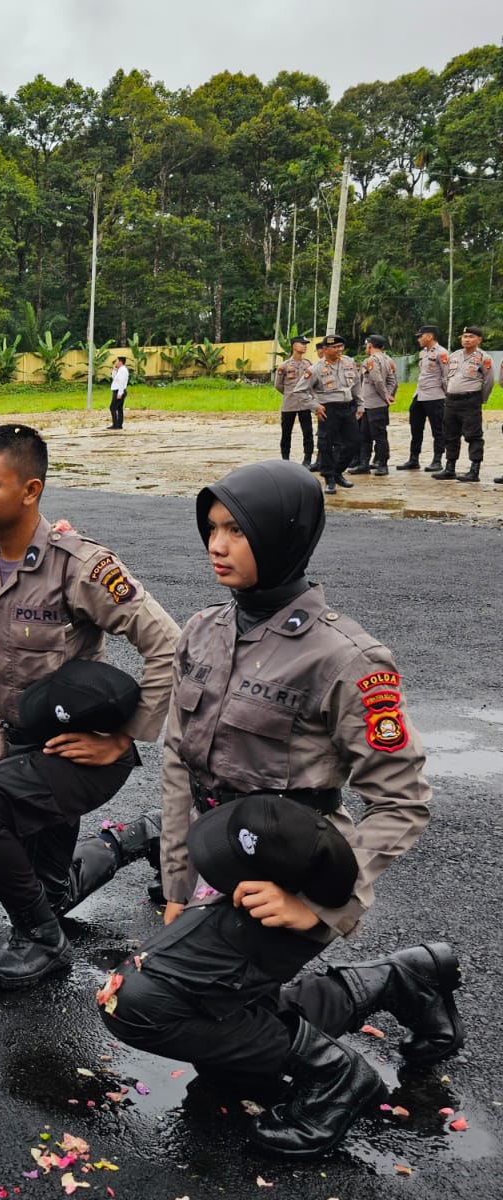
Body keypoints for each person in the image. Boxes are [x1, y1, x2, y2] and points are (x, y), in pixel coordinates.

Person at [97, 460, 460, 1160]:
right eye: (212, 528)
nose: (217, 544)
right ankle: (402, 976)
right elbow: (178, 767)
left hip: (295, 878)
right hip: (217, 872)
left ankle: (335, 1077)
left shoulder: (349, 659)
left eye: (237, 529)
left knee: (138, 1002)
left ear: (285, 534)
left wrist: (321, 904)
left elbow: (402, 799)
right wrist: (178, 888)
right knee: (225, 1027)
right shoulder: (203, 631)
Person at [0, 424, 180, 990]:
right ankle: (140, 836)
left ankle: (43, 942)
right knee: (51, 890)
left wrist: (128, 737)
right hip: (23, 748)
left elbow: (166, 642)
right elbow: (1, 679)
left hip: (80, 756)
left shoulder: (80, 565)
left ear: (31, 490)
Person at [291, 335, 360, 496]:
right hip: (328, 410)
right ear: (326, 350)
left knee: (354, 443)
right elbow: (299, 390)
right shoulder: (315, 369)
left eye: (341, 346)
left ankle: (337, 471)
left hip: (348, 408)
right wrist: (315, 406)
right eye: (335, 347)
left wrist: (361, 404)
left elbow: (356, 385)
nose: (339, 350)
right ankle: (329, 478)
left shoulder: (349, 363)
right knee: (326, 444)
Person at [432, 325, 494, 482]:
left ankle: (474, 470)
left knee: (473, 435)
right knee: (450, 434)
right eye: (465, 336)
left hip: (470, 400)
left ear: (479, 340)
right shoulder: (454, 356)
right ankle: (450, 467)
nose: (467, 339)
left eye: (471, 337)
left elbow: (488, 381)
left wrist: (481, 399)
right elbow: (447, 377)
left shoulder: (483, 357)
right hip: (452, 401)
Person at [348, 334, 397, 476]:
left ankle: (382, 464)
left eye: (366, 345)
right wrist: (389, 395)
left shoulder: (371, 361)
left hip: (373, 404)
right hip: (371, 404)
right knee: (365, 435)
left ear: (370, 345)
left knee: (377, 435)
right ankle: (364, 464)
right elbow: (393, 381)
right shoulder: (389, 360)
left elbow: (377, 381)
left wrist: (384, 396)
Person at [402, 325, 448, 472]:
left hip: (435, 396)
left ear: (430, 336)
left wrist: (446, 395)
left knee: (438, 429)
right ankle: (413, 458)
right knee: (415, 427)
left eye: (421, 336)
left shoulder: (442, 353)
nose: (419, 339)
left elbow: (446, 376)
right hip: (420, 395)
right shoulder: (423, 353)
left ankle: (437, 459)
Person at [273, 336, 314, 467]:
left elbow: (312, 383)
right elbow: (278, 385)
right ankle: (285, 460)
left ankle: (307, 460)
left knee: (308, 433)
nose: (305, 346)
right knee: (286, 433)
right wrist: (289, 395)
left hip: (304, 404)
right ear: (293, 346)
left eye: (305, 344)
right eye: (302, 343)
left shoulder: (308, 364)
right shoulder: (284, 366)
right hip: (289, 404)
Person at [108, 356, 129, 430]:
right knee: (119, 408)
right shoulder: (120, 370)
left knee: (112, 408)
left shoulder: (123, 371)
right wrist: (114, 370)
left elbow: (121, 382)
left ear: (120, 362)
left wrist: (120, 393)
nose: (116, 363)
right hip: (118, 390)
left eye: (117, 361)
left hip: (119, 390)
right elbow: (114, 378)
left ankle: (115, 424)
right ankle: (119, 424)